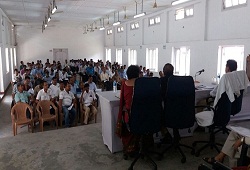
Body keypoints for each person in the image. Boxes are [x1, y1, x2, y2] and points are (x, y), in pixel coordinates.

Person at [116, 65, 141, 159]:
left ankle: (129, 150)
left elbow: (122, 100)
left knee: (127, 121)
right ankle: (139, 147)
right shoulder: (142, 84)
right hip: (143, 115)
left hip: (130, 116)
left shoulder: (125, 83)